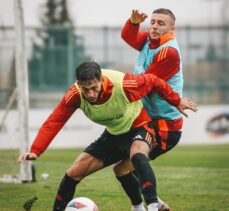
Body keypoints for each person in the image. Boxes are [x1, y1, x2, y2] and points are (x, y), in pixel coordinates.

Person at [18, 61, 197, 211]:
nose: (90, 94)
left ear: (102, 80)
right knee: (73, 173)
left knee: (137, 155)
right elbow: (54, 121)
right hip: (113, 135)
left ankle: (151, 206)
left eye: (94, 88)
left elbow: (154, 81)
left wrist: (176, 100)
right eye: (85, 89)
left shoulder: (124, 84)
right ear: (78, 83)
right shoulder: (74, 94)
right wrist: (36, 150)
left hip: (140, 126)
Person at [113, 8, 189, 211]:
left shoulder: (169, 52)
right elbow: (128, 36)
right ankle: (156, 205)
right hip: (147, 120)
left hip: (165, 126)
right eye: (153, 22)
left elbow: (146, 83)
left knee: (130, 162)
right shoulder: (150, 40)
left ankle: (151, 205)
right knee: (123, 166)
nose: (154, 26)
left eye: (161, 23)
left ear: (172, 29)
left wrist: (117, 86)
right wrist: (133, 22)